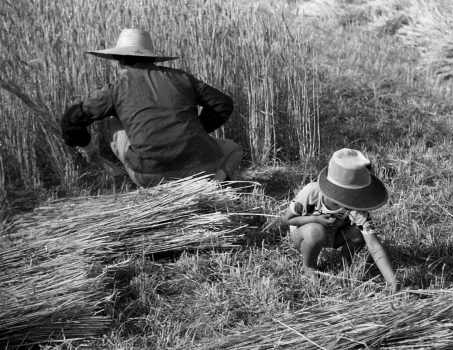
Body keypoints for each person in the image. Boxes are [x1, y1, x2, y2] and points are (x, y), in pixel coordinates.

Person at [60, 28, 242, 187]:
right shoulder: (183, 78)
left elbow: (71, 120)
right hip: (202, 165)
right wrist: (199, 131)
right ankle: (215, 184)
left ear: (120, 61)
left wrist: (87, 146)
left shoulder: (115, 89)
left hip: (148, 174)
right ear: (153, 57)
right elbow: (223, 104)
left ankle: (158, 186)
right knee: (235, 149)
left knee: (113, 120)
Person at [282, 148, 398, 291]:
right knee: (315, 231)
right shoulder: (311, 192)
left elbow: (374, 246)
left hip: (335, 234)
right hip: (305, 233)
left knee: (358, 233)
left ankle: (342, 263)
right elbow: (288, 219)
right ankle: (309, 267)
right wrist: (316, 219)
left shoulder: (357, 209)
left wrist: (392, 281)